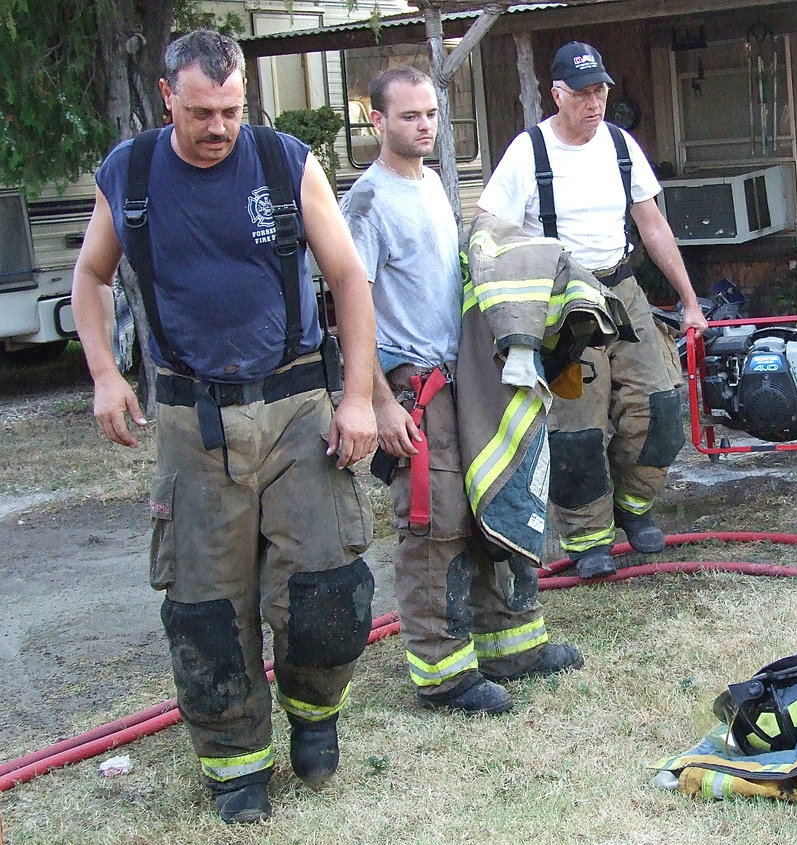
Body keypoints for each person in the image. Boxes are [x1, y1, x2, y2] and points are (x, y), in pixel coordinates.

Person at [71, 30, 378, 824]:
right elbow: (91, 276)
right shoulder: (131, 173)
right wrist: (105, 372)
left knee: (326, 590)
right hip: (188, 418)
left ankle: (316, 719)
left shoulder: (283, 162)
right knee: (206, 609)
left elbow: (347, 275)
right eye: (203, 111)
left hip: (296, 407)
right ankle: (236, 764)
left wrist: (357, 397)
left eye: (233, 109)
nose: (219, 126)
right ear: (167, 94)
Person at [341, 66, 583, 717]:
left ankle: (510, 644)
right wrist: (379, 403)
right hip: (410, 384)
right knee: (434, 519)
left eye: (431, 113)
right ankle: (443, 673)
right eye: (409, 115)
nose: (424, 125)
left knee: (488, 498)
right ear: (377, 121)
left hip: (459, 376)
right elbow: (351, 306)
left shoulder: (432, 185)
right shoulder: (365, 203)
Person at [477, 41, 708, 579]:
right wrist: (504, 315)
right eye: (581, 93)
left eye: (600, 90)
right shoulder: (527, 152)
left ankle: (633, 508)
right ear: (556, 94)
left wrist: (690, 301)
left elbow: (652, 225)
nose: (593, 102)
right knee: (575, 429)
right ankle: (589, 538)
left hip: (621, 290)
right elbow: (488, 230)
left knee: (661, 405)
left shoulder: (621, 147)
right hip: (561, 303)